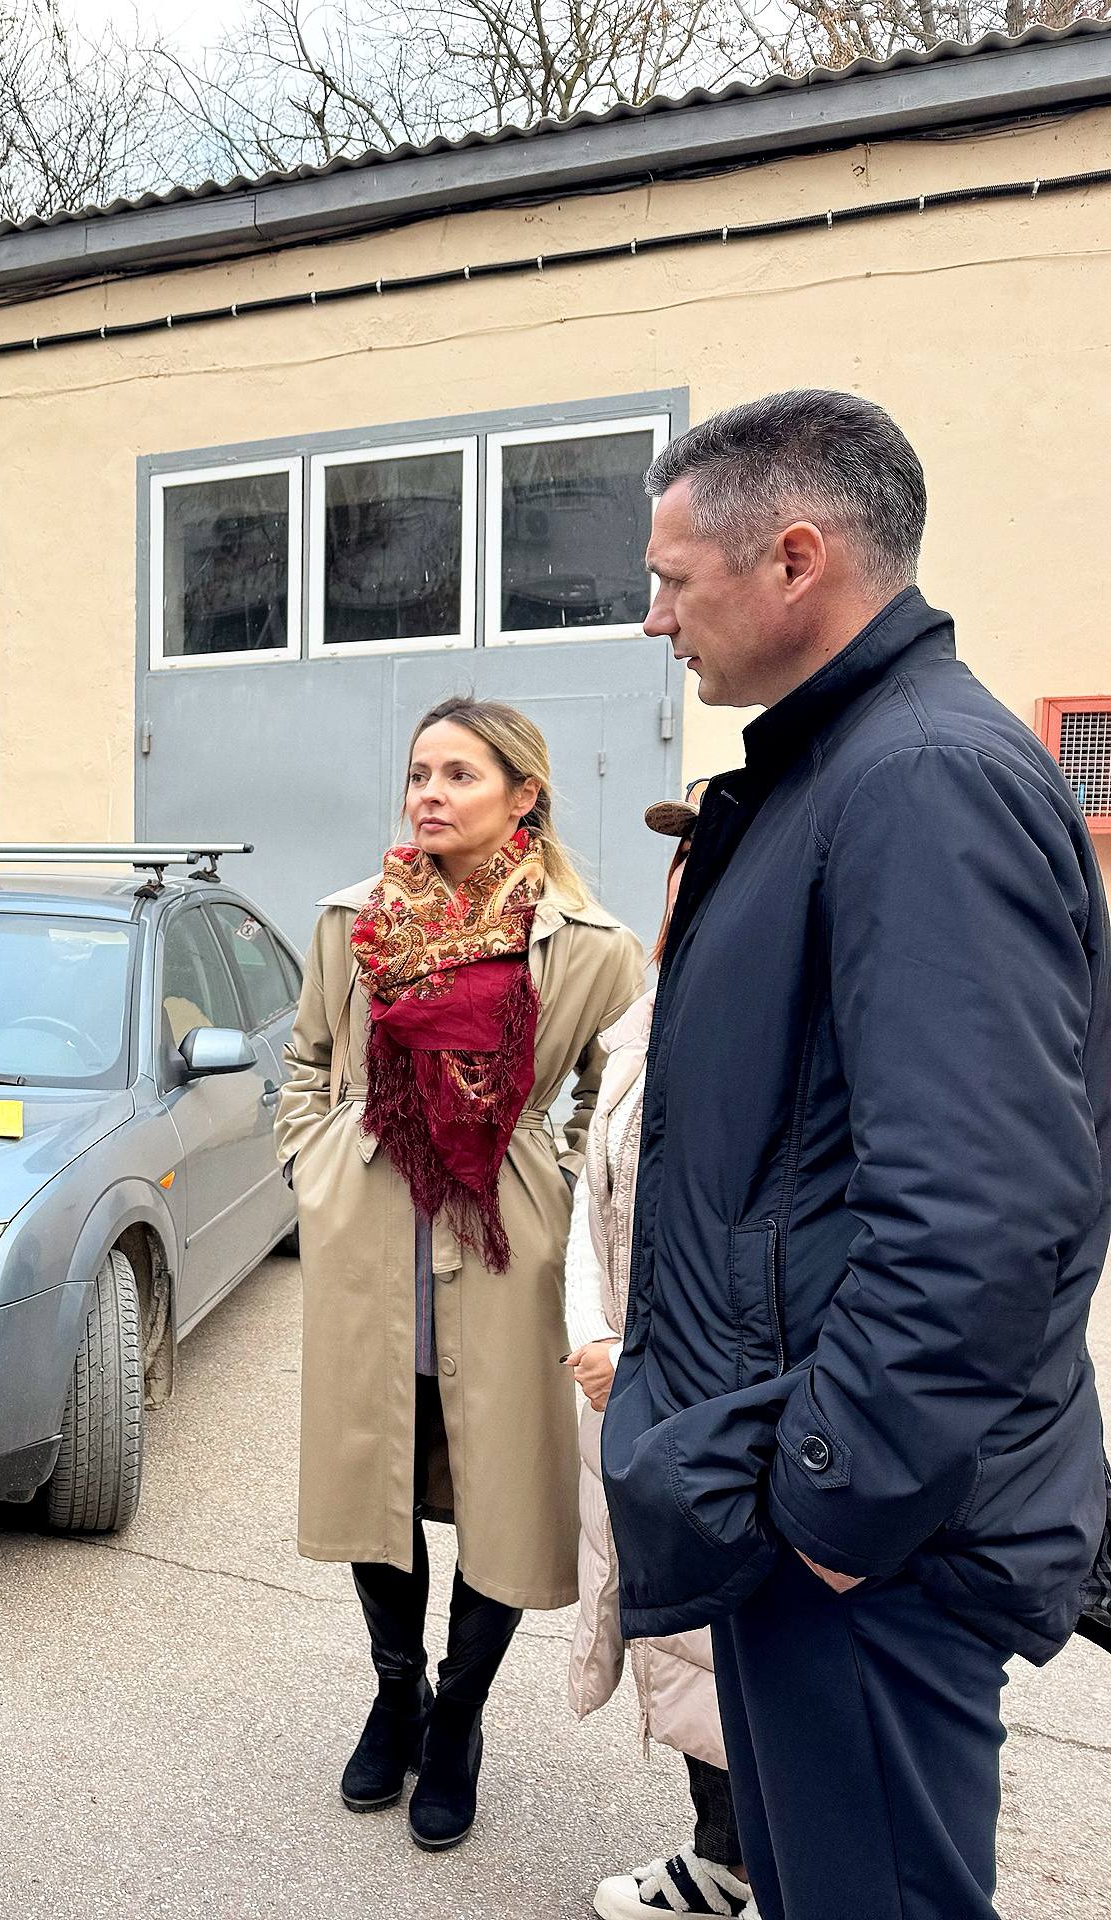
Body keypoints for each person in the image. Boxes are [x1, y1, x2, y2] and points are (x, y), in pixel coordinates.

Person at [604, 389, 1109, 1920]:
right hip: (807, 1505)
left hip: (867, 1537)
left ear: (795, 559)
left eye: (672, 580)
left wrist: (835, 1503)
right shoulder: (837, 774)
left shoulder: (918, 782)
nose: (654, 620)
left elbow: (983, 1211)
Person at [279, 697, 643, 1852]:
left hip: (504, 1252)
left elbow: (618, 1106)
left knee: (502, 1488)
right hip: (367, 1240)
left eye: (458, 774)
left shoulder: (593, 945)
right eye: (418, 773)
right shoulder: (354, 920)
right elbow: (304, 1064)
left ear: (522, 794)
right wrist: (312, 1166)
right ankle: (395, 1694)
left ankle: (457, 1720)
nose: (428, 793)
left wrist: (554, 1181)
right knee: (372, 1475)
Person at [565, 788, 757, 1920]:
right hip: (637, 1388)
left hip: (703, 1404)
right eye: (682, 864)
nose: (682, 885)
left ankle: (757, 1866)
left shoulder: (765, 1022)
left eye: (710, 860)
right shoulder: (649, 1017)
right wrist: (593, 1332)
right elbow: (596, 1202)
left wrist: (638, 1359)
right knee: (681, 1635)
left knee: (728, 1646)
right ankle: (721, 1859)